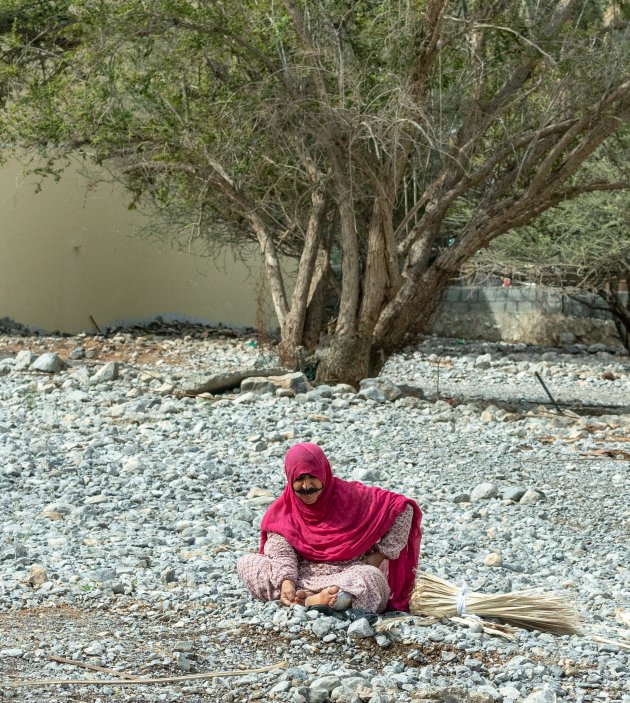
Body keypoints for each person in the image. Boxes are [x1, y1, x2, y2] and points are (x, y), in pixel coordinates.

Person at [237, 443, 422, 613]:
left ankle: (312, 600)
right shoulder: (284, 510)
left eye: (313, 478)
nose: (307, 486)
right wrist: (287, 583)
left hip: (347, 574)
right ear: (290, 477)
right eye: (300, 479)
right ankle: (311, 599)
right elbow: (281, 552)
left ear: (324, 474)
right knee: (247, 563)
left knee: (370, 577)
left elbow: (403, 508)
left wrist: (379, 555)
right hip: (300, 575)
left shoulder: (352, 496)